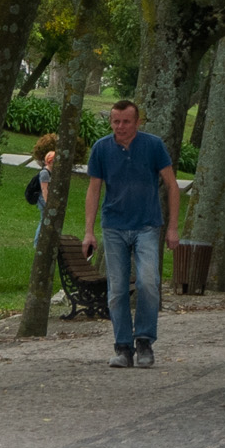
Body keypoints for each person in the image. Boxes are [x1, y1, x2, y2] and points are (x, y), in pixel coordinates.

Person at [82, 99, 179, 368]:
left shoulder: (153, 145)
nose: (120, 127)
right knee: (117, 289)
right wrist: (88, 232)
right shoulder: (101, 148)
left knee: (148, 282)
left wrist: (172, 227)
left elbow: (172, 185)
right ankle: (123, 346)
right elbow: (93, 190)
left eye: (126, 121)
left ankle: (144, 340)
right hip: (114, 225)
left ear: (137, 122)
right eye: (116, 121)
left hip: (147, 224)